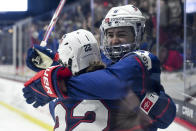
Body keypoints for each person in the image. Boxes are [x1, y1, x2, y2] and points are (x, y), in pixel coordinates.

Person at [23, 5, 176, 131]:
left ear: (137, 34)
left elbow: (114, 82)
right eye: (110, 35)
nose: (114, 40)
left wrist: (56, 83)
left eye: (121, 34)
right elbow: (89, 78)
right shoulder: (99, 65)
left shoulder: (141, 60)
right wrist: (54, 63)